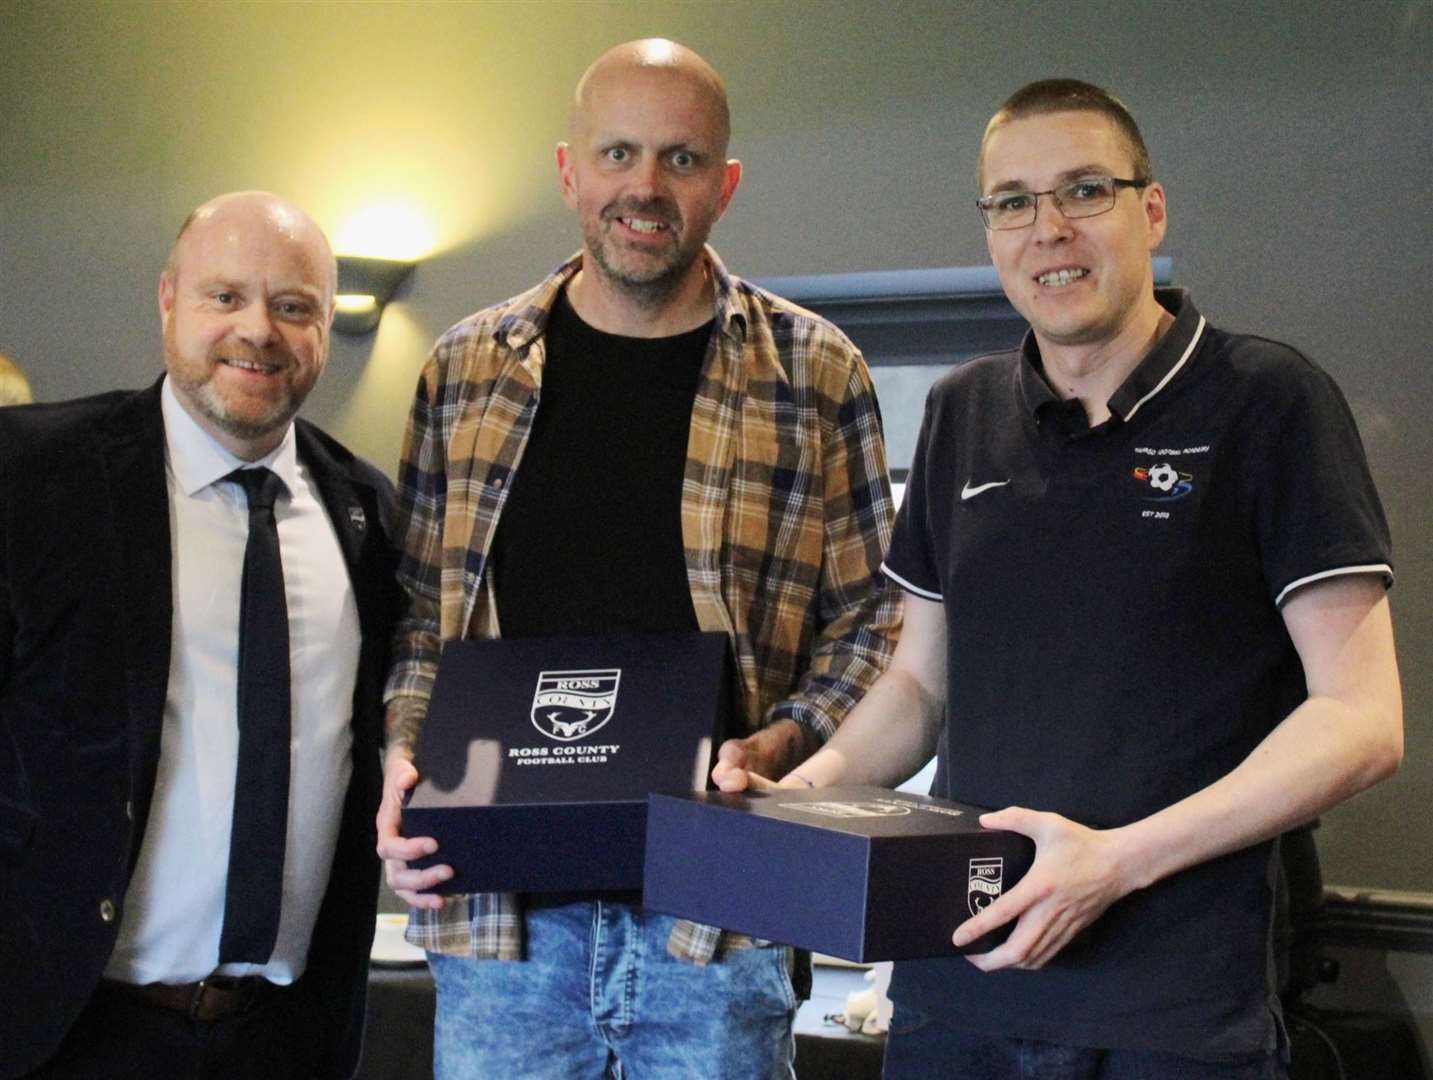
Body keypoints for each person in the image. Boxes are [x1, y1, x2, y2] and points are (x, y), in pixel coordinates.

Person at [715, 79, 1403, 1078]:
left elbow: (1360, 718)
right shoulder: (962, 411)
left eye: (1083, 191)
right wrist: (797, 795)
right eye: (1012, 202)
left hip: (1174, 1012)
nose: (1047, 229)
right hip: (955, 990)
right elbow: (916, 688)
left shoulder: (1268, 403)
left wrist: (1114, 863)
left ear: (1149, 210)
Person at [377, 38, 901, 1080]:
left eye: (681, 159)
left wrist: (781, 748)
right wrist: (404, 759)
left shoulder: (816, 372)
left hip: (719, 927)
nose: (644, 188)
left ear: (726, 185)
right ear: (569, 170)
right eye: (617, 153)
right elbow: (420, 625)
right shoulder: (463, 372)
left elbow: (873, 626)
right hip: (499, 935)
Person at [0, 191, 401, 1079]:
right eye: (225, 297)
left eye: (293, 306)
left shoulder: (367, 512)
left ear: (325, 327)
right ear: (168, 301)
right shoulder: (29, 476)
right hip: (62, 1032)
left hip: (284, 1040)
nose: (257, 329)